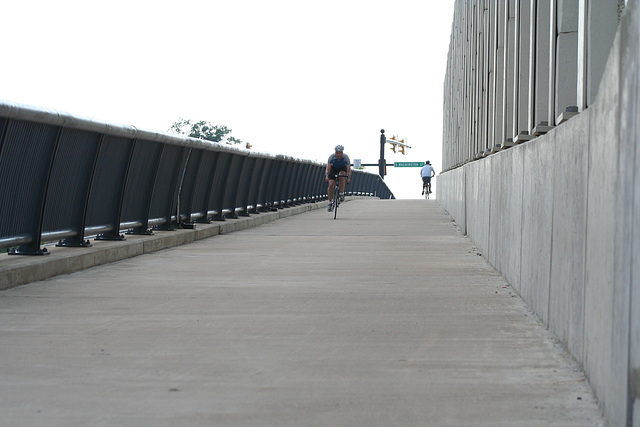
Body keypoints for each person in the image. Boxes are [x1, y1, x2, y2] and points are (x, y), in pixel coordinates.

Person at [325, 145, 351, 212]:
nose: (338, 154)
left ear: (342, 153)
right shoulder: (331, 157)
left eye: (339, 153)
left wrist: (348, 177)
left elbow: (348, 169)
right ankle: (330, 202)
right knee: (331, 184)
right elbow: (328, 169)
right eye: (337, 153)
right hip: (333, 169)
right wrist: (327, 176)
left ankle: (341, 193)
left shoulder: (346, 157)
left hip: (342, 168)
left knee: (342, 175)